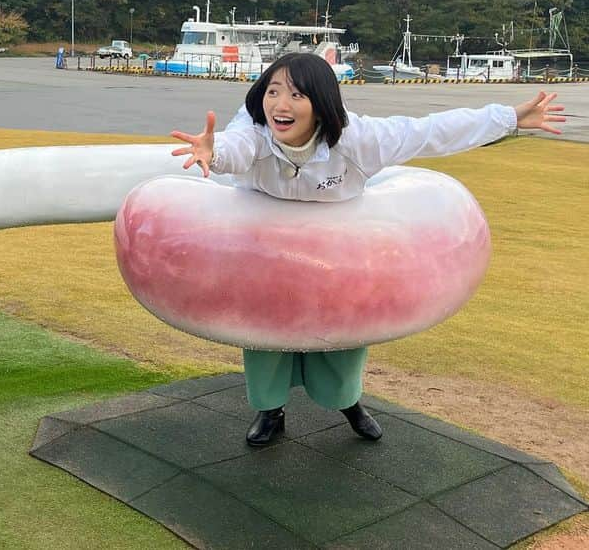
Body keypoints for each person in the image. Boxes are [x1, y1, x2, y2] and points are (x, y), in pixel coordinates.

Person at [170, 52, 564, 446]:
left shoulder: (358, 139)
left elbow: (428, 131)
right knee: (265, 333)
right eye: (272, 92)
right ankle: (271, 409)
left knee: (342, 334)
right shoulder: (254, 131)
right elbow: (235, 146)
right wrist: (214, 151)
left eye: (295, 94)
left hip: (335, 250)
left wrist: (509, 119)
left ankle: (348, 402)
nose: (280, 105)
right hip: (265, 249)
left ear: (321, 103)